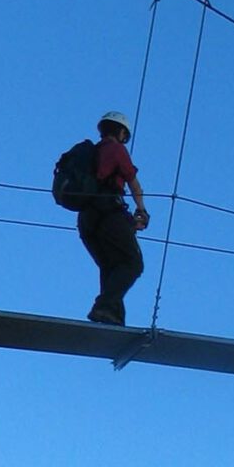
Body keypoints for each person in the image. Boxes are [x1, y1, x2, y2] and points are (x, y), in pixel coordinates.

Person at [79, 110, 149, 325]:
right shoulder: (116, 149)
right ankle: (104, 308)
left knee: (111, 267)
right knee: (132, 264)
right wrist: (142, 209)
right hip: (108, 213)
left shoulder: (91, 154)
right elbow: (133, 183)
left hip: (87, 221)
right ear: (121, 132)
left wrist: (128, 224)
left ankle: (113, 317)